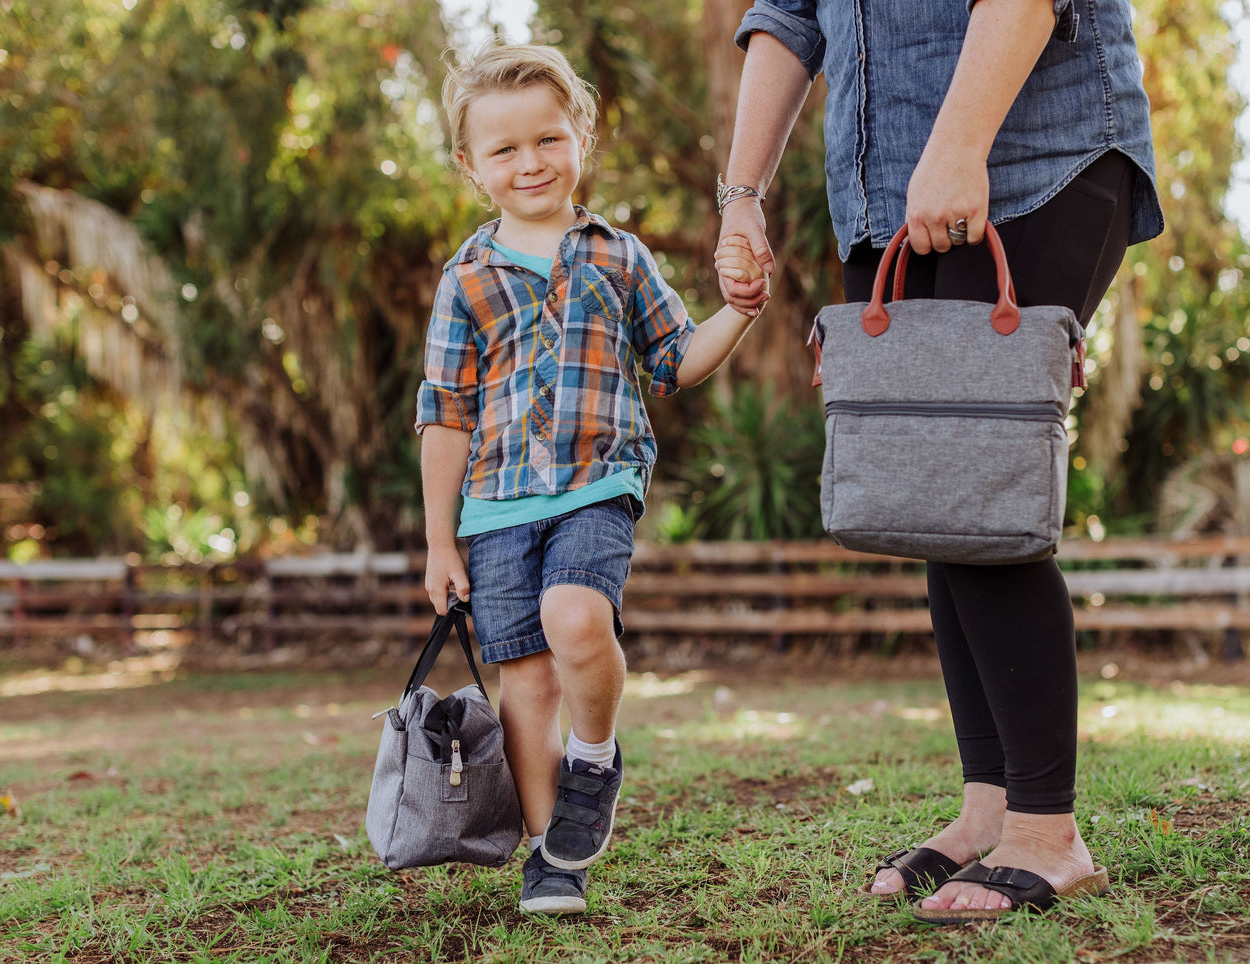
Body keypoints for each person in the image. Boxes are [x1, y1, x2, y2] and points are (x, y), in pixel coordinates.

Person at [715, 0, 1164, 923]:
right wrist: (742, 194)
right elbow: (788, 16)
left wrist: (960, 145)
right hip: (880, 190)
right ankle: (989, 809)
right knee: (937, 495)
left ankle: (1046, 831)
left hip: (1031, 157)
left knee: (975, 486)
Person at [418, 39, 764, 916]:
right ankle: (552, 857)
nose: (530, 162)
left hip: (597, 484)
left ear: (580, 137)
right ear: (470, 166)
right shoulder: (465, 278)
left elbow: (675, 359)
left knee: (575, 618)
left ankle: (596, 755)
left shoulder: (618, 255)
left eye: (548, 139)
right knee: (527, 685)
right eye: (504, 148)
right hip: (496, 506)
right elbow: (446, 413)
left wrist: (739, 312)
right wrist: (437, 542)